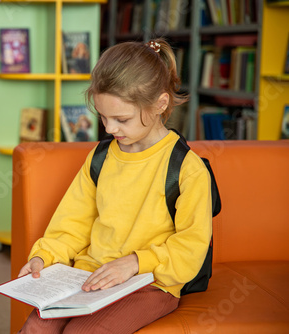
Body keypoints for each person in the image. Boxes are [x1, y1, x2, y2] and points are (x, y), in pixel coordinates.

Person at [17, 39, 213, 334]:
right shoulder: (100, 156)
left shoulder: (187, 168)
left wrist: (135, 262)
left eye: (121, 119)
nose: (109, 129)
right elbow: (72, 222)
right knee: (36, 328)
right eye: (103, 117)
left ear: (160, 104)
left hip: (150, 283)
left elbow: (191, 248)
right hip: (89, 273)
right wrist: (44, 256)